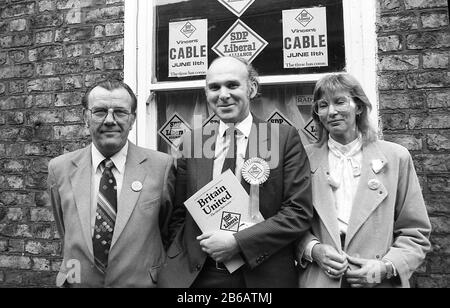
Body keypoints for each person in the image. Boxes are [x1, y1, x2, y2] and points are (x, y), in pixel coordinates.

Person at [158, 56, 313, 288]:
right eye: (214, 87)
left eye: (232, 85)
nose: (223, 94)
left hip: (262, 275)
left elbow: (297, 212)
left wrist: (238, 242)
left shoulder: (284, 138)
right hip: (199, 275)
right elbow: (180, 213)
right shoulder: (193, 141)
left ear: (252, 88)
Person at [297, 73, 431, 288]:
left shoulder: (396, 157)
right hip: (320, 278)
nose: (331, 112)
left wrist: (385, 267)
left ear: (358, 107)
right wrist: (312, 249)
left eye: (340, 102)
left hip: (376, 281)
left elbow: (415, 233)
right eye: (323, 105)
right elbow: (288, 222)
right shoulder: (301, 158)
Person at [48, 80, 175, 287]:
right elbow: (66, 230)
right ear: (85, 118)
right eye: (99, 111)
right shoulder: (59, 168)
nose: (109, 120)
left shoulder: (161, 167)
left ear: (133, 119)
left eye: (120, 112)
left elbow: (166, 229)